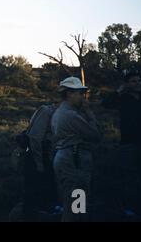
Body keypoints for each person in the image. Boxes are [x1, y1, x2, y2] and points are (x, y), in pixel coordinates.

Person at [102, 71, 141, 217]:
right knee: (129, 176)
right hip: (128, 143)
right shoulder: (122, 98)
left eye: (139, 81)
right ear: (127, 84)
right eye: (133, 81)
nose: (137, 83)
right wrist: (119, 91)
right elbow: (105, 103)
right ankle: (129, 207)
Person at [51, 77, 102, 222]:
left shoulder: (61, 112)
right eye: (79, 93)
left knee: (73, 202)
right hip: (74, 160)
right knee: (76, 204)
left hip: (68, 157)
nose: (82, 97)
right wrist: (89, 113)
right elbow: (95, 135)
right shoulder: (70, 115)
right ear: (69, 94)